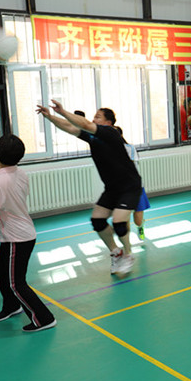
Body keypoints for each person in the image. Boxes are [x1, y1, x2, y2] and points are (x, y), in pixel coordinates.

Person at [36, 101, 142, 275]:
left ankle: (128, 254)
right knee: (97, 220)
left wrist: (62, 111)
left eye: (97, 117)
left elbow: (84, 124)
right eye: (94, 117)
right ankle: (116, 252)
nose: (93, 120)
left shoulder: (111, 133)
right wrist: (49, 117)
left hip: (129, 186)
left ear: (108, 122)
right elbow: (70, 127)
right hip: (112, 188)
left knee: (119, 222)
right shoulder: (93, 137)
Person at [0, 134, 56, 332]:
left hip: (17, 238)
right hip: (18, 235)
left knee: (16, 283)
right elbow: (10, 195)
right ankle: (12, 306)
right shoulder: (19, 173)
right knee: (1, 272)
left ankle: (44, 318)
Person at [113, 126, 150, 242]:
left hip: (135, 187)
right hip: (120, 189)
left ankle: (141, 226)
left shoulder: (130, 148)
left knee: (137, 220)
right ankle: (126, 243)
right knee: (124, 218)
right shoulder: (107, 150)